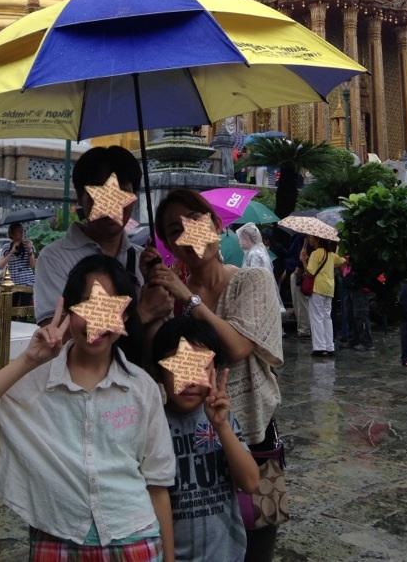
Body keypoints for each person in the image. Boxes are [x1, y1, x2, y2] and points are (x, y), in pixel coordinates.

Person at [0, 254, 176, 560]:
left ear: (124, 317)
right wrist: (29, 360)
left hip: (134, 536)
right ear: (69, 311)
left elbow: (158, 482)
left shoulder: (141, 388)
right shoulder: (35, 383)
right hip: (57, 534)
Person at [148, 189, 284, 562]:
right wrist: (154, 306)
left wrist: (189, 300)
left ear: (216, 224)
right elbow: (158, 361)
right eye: (175, 229)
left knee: (257, 538)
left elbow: (237, 347)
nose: (188, 232)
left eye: (195, 219)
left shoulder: (252, 281)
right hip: (193, 441)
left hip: (252, 431)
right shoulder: (171, 298)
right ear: (169, 247)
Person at [153, 317, 259, 562]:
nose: (190, 381)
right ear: (159, 372)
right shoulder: (154, 426)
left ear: (214, 371)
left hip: (227, 554)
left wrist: (221, 426)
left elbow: (251, 482)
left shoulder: (224, 421)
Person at [34, 146, 173, 329]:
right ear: (80, 197)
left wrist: (154, 285)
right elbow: (55, 332)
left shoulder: (143, 260)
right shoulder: (55, 258)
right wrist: (143, 313)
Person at [302, 236, 345, 358]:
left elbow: (310, 272)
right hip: (329, 289)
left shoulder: (315, 254)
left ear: (317, 239)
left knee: (317, 317)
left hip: (317, 288)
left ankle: (319, 347)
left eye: (311, 238)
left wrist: (304, 260)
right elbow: (342, 260)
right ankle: (329, 346)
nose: (310, 240)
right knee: (327, 317)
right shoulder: (331, 255)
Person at [236, 223, 286, 315]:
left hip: (257, 293)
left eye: (241, 239)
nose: (239, 242)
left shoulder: (254, 254)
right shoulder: (257, 250)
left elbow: (254, 277)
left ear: (247, 238)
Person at [0, 222, 36, 310]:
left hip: (27, 282)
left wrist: (30, 250)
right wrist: (11, 252)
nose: (22, 234)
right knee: (11, 309)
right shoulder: (7, 247)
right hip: (13, 282)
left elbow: (32, 265)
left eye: (22, 231)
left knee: (24, 310)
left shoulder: (28, 245)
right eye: (19, 231)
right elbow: (0, 266)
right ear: (12, 234)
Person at [286, 235, 311, 338]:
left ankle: (304, 329)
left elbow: (300, 257)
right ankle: (303, 327)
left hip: (301, 274)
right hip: (298, 272)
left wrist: (299, 266)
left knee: (301, 303)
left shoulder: (303, 240)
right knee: (300, 303)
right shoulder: (302, 239)